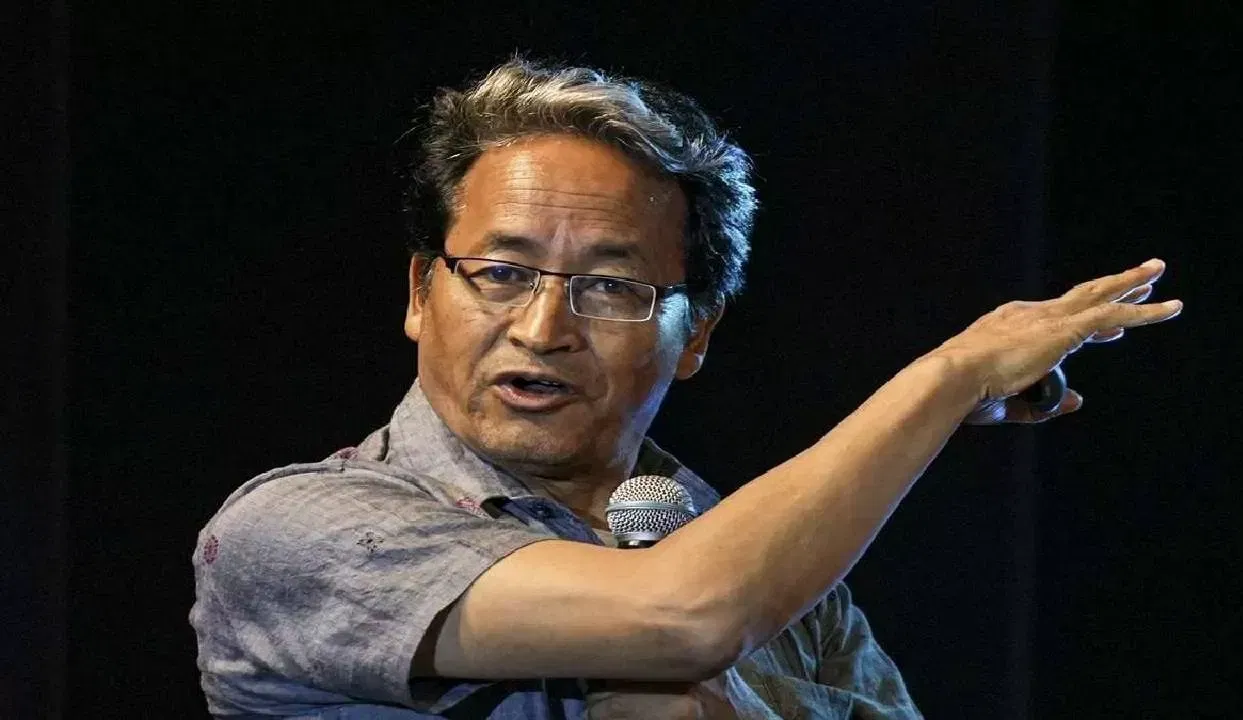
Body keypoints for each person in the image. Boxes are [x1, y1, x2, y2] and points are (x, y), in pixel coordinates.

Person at [190, 58, 1182, 719]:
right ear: (420, 293)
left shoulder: (773, 571)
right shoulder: (299, 530)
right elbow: (680, 616)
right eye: (500, 273)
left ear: (696, 332)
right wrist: (949, 376)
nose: (541, 327)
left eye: (609, 287)